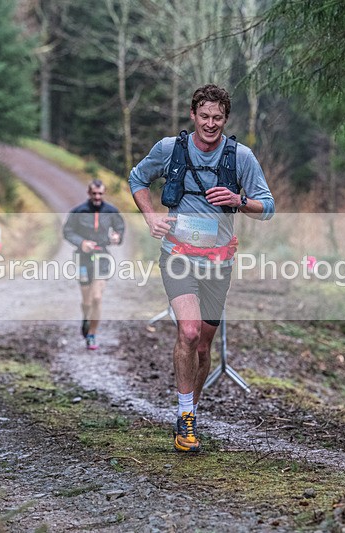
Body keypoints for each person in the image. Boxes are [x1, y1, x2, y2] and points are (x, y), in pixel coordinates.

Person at [128, 84, 275, 452]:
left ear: (226, 119)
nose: (210, 124)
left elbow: (268, 206)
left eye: (218, 118)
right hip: (177, 255)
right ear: (193, 115)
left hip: (218, 262)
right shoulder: (169, 149)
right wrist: (150, 218)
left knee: (204, 348)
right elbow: (137, 179)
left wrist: (240, 200)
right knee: (189, 332)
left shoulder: (240, 156)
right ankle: (185, 420)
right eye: (204, 116)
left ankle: (190, 411)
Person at [63, 179, 125, 350]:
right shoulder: (79, 211)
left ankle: (92, 334)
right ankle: (86, 317)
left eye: (100, 194)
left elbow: (120, 227)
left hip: (102, 257)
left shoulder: (111, 211)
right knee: (86, 300)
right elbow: (67, 231)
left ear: (103, 194)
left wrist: (117, 237)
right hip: (82, 258)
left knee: (97, 297)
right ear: (89, 193)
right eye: (94, 194)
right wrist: (81, 242)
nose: (97, 197)